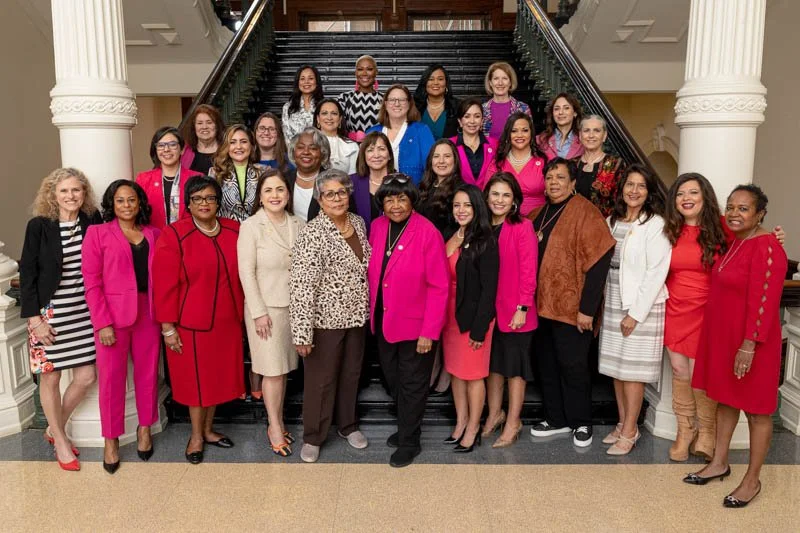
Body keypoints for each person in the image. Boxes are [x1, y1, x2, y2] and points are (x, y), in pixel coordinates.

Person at [684, 185, 787, 509]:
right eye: (731, 206)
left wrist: (749, 344)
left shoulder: (767, 247)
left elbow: (765, 301)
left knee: (757, 411)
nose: (734, 213)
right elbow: (708, 219)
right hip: (726, 339)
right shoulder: (736, 240)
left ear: (760, 214)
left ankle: (752, 480)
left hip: (752, 343)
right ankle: (719, 462)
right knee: (726, 400)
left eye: (744, 208)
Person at [153, 175, 245, 464]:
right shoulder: (175, 234)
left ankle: (207, 429)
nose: (204, 203)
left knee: (215, 379)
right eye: (197, 199)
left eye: (210, 198)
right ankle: (195, 436)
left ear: (218, 202)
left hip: (227, 320)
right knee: (196, 383)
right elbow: (164, 283)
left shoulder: (234, 230)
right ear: (188, 204)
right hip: (190, 323)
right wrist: (168, 328)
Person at [527, 158, 615, 448]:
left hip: (572, 307)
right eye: (549, 177)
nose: (554, 182)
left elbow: (599, 261)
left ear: (573, 182)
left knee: (573, 366)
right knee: (546, 364)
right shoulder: (537, 214)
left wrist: (587, 309)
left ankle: (581, 421)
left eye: (561, 177)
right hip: (541, 306)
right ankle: (556, 419)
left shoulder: (586, 212)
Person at [20, 168, 100, 471]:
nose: (71, 196)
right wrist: (34, 320)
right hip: (49, 314)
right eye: (64, 190)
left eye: (76, 190)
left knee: (86, 377)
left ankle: (56, 428)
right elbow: (28, 273)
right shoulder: (39, 226)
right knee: (51, 377)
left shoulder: (92, 220)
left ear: (84, 193)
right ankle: (62, 442)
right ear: (53, 194)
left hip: (84, 313)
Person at [367, 174, 449, 467]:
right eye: (389, 199)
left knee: (413, 385)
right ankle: (406, 426)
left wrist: (429, 332)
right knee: (394, 380)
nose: (395, 205)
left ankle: (410, 441)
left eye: (401, 198)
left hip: (416, 328)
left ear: (412, 201)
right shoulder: (377, 227)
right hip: (384, 321)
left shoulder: (427, 232)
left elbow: (439, 287)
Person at [290, 169, 371, 463]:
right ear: (320, 199)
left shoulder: (358, 223)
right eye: (329, 194)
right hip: (325, 321)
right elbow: (301, 285)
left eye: (341, 192)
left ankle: (348, 425)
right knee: (321, 381)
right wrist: (302, 333)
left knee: (351, 375)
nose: (337, 198)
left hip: (357, 317)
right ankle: (313, 436)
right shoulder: (312, 233)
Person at [82, 180, 161, 473]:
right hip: (112, 318)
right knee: (111, 380)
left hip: (148, 314)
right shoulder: (97, 233)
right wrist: (102, 323)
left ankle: (144, 428)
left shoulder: (154, 234)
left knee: (148, 374)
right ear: (111, 205)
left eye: (131, 200)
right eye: (120, 200)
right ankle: (111, 439)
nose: (126, 205)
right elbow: (92, 283)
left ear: (139, 203)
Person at [597, 164, 671, 455]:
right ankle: (621, 423)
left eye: (641, 186)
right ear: (622, 188)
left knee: (632, 373)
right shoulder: (612, 220)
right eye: (630, 184)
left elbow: (656, 273)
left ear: (649, 192)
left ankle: (630, 430)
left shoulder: (655, 225)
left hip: (641, 306)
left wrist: (635, 314)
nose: (634, 191)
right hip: (614, 298)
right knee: (616, 369)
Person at [662, 173, 729, 462]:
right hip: (675, 307)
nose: (686, 198)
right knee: (680, 371)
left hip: (708, 310)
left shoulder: (723, 228)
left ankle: (707, 432)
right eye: (680, 194)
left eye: (693, 192)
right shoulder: (668, 229)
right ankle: (685, 431)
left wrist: (774, 238)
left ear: (705, 197)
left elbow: (751, 246)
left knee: (701, 372)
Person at [238, 169, 304, 457]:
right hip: (265, 310)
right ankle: (274, 426)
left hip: (294, 309)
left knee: (284, 369)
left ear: (288, 194)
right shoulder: (251, 226)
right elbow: (246, 272)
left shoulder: (298, 224)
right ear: (260, 197)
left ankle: (279, 419)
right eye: (268, 190)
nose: (275, 195)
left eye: (280, 189)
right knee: (273, 371)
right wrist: (258, 312)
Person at [442, 184, 499, 453]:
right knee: (455, 372)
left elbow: (489, 290)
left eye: (467, 205)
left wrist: (480, 329)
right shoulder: (451, 235)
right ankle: (461, 422)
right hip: (450, 316)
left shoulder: (485, 240)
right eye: (457, 205)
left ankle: (474, 427)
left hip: (475, 317)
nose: (461, 210)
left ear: (477, 208)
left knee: (473, 375)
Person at [481, 172, 538, 448]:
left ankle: (514, 421)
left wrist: (523, 307)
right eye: (495, 194)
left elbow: (529, 270)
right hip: (488, 310)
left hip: (516, 311)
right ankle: (495, 414)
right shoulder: (481, 226)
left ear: (514, 199)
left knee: (515, 370)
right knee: (493, 367)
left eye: (506, 195)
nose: (500, 200)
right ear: (486, 196)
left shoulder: (522, 226)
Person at [366, 84, 435, 185]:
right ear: (385, 104)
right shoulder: (371, 132)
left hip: (415, 191)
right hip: (377, 191)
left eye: (402, 100)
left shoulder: (421, 131)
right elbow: (363, 167)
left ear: (409, 103)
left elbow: (431, 167)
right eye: (392, 100)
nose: (397, 104)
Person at [136, 127, 203, 230]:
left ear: (182, 149)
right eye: (161, 145)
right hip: (154, 237)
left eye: (172, 144)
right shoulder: (143, 179)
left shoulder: (197, 178)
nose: (166, 149)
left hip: (189, 236)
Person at [489, 112, 547, 215]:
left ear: (531, 133)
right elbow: (488, 196)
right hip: (503, 219)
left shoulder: (544, 161)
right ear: (508, 134)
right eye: (514, 131)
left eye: (525, 130)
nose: (520, 135)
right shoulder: (497, 163)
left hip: (538, 218)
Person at [571, 114, 625, 218]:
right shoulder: (571, 164)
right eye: (586, 130)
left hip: (604, 224)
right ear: (580, 135)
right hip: (573, 223)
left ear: (604, 136)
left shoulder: (616, 164)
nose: (591, 135)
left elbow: (622, 201)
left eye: (597, 130)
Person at [209, 124, 264, 223]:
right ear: (226, 147)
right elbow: (211, 207)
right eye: (232, 142)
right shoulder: (215, 173)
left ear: (252, 146)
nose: (238, 147)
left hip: (258, 229)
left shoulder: (263, 172)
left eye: (243, 142)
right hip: (227, 229)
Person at [350, 131, 396, 235]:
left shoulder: (401, 182)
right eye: (370, 150)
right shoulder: (351, 182)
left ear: (389, 155)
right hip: (360, 241)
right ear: (364, 155)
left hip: (393, 241)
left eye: (381, 149)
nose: (376, 155)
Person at [417, 139, 463, 234]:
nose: (441, 161)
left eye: (447, 156)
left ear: (455, 160)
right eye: (436, 156)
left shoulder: (461, 190)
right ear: (431, 160)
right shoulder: (424, 186)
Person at [451, 97, 498, 188]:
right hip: (458, 195)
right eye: (467, 116)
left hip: (487, 196)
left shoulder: (494, 144)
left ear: (482, 121)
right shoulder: (450, 145)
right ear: (460, 121)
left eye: (477, 116)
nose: (472, 121)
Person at [286, 127, 331, 222]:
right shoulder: (283, 179)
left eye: (313, 148)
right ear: (293, 152)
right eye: (300, 147)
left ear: (323, 153)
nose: (306, 152)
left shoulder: (334, 181)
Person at [337, 55, 383, 141]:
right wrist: (351, 136)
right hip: (350, 147)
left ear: (376, 72)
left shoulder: (384, 99)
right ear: (355, 72)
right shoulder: (344, 98)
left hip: (377, 147)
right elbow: (336, 127)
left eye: (369, 69)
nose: (364, 73)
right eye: (360, 69)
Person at [481, 62, 531, 140]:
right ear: (490, 82)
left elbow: (528, 137)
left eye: (505, 78)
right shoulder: (482, 109)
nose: (500, 83)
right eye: (496, 78)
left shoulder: (523, 108)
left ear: (510, 82)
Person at [413, 64, 459, 140]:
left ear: (446, 83)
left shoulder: (457, 107)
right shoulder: (414, 106)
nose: (435, 83)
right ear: (425, 83)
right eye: (431, 79)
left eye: (440, 79)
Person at [314, 98, 359, 174]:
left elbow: (353, 177)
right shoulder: (308, 143)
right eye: (324, 113)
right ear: (318, 119)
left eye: (334, 113)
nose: (329, 118)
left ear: (340, 119)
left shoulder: (352, 146)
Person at [536, 93, 584, 161]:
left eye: (566, 108)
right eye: (556, 109)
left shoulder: (584, 140)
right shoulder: (541, 139)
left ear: (575, 113)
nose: (560, 112)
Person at [282, 64, 324, 142]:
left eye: (310, 78)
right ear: (298, 82)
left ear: (317, 82)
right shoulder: (288, 107)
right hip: (295, 149)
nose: (306, 82)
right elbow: (287, 137)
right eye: (302, 79)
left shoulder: (324, 106)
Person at [181, 104, 225, 175]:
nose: (204, 127)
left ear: (217, 126)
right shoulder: (185, 152)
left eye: (209, 122)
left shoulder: (227, 151)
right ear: (194, 127)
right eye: (200, 123)